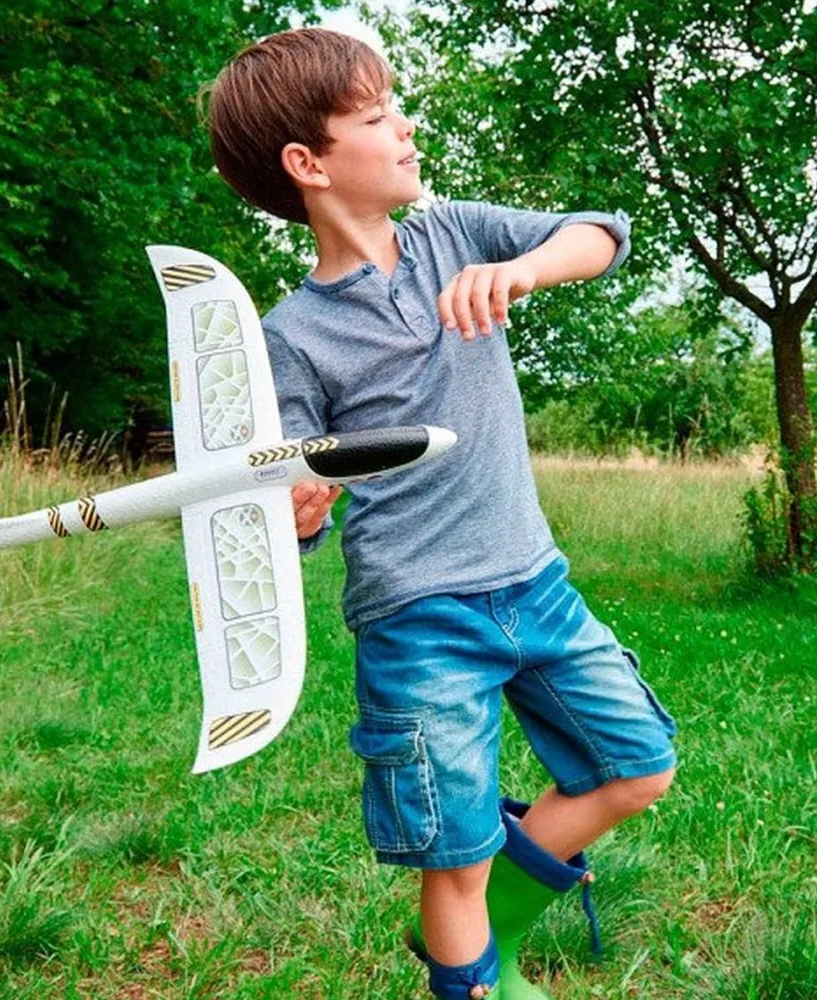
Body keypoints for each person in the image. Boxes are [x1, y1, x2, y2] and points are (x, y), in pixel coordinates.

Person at [204, 26, 678, 1000]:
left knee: (636, 766)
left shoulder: (455, 233)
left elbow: (598, 233)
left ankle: (481, 930)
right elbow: (290, 498)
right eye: (378, 117)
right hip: (419, 616)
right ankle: (472, 969)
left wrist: (525, 270)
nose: (405, 128)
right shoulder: (291, 337)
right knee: (452, 853)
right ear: (309, 163)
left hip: (534, 581)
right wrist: (299, 514)